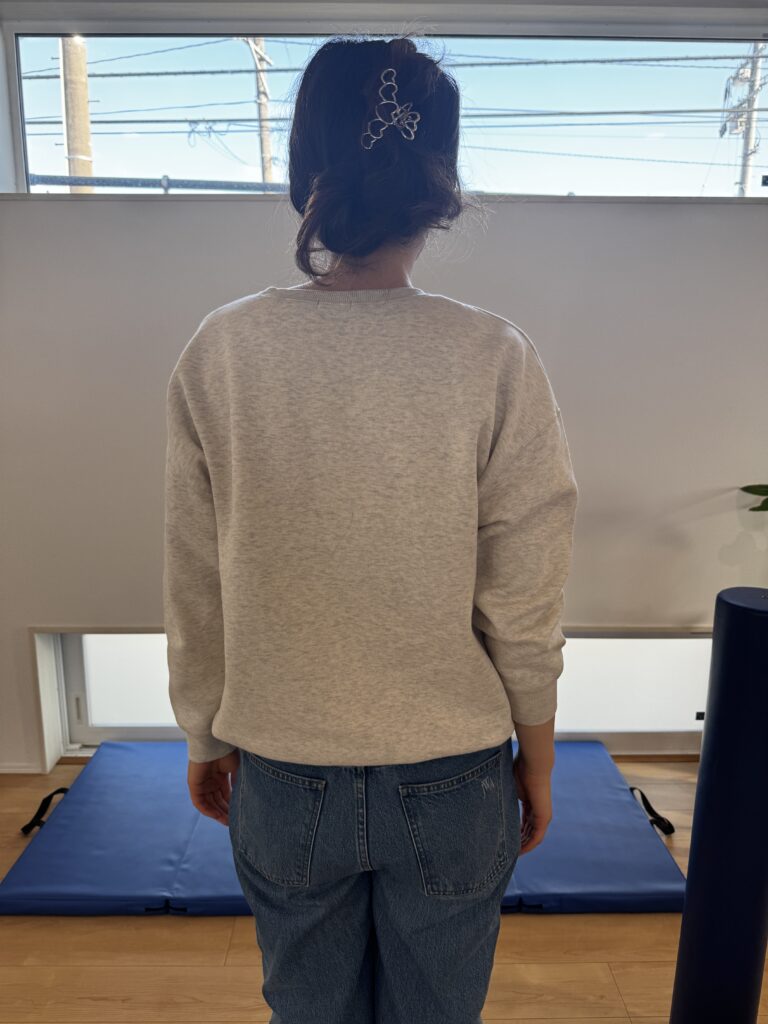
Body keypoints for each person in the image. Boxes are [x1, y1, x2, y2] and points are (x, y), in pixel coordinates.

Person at [163, 33, 578, 1024]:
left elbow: (196, 573)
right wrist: (539, 757)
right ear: (441, 189)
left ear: (304, 166)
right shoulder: (494, 354)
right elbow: (524, 593)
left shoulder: (224, 347)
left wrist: (203, 729)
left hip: (282, 763)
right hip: (455, 772)